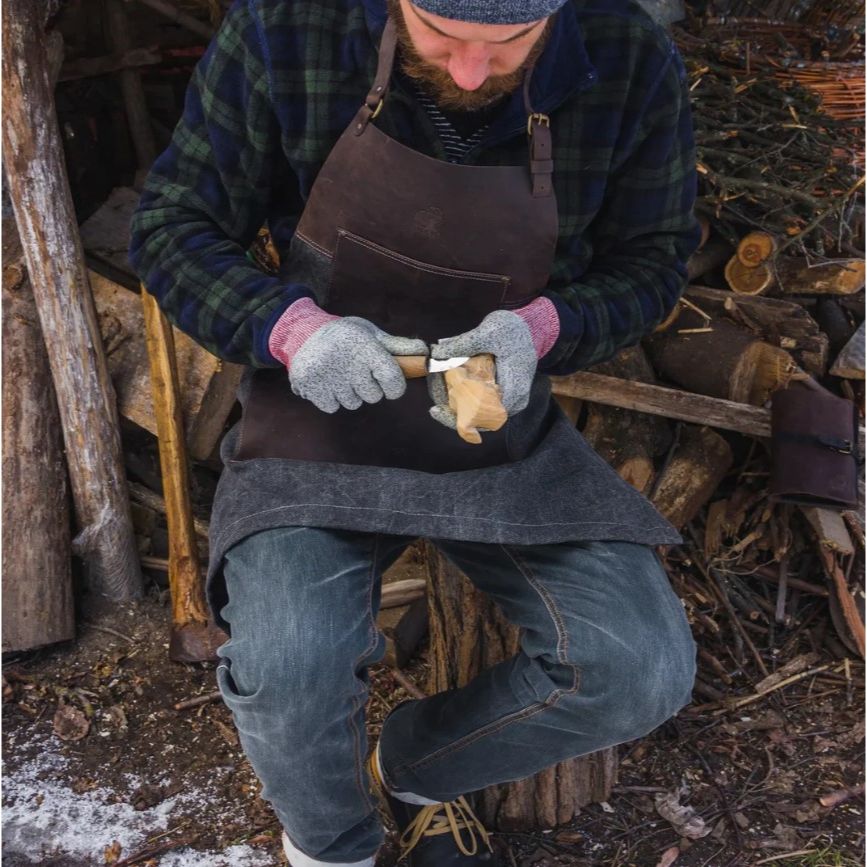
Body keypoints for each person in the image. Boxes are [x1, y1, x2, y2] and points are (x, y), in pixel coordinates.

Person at [130, 0, 700, 863]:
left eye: (507, 45)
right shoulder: (288, 28)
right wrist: (291, 331)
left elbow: (653, 262)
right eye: (443, 38)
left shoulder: (629, 57)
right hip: (312, 422)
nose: (472, 71)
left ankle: (415, 762)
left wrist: (542, 328)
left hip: (494, 430)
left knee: (636, 669)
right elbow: (172, 227)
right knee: (286, 669)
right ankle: (334, 843)